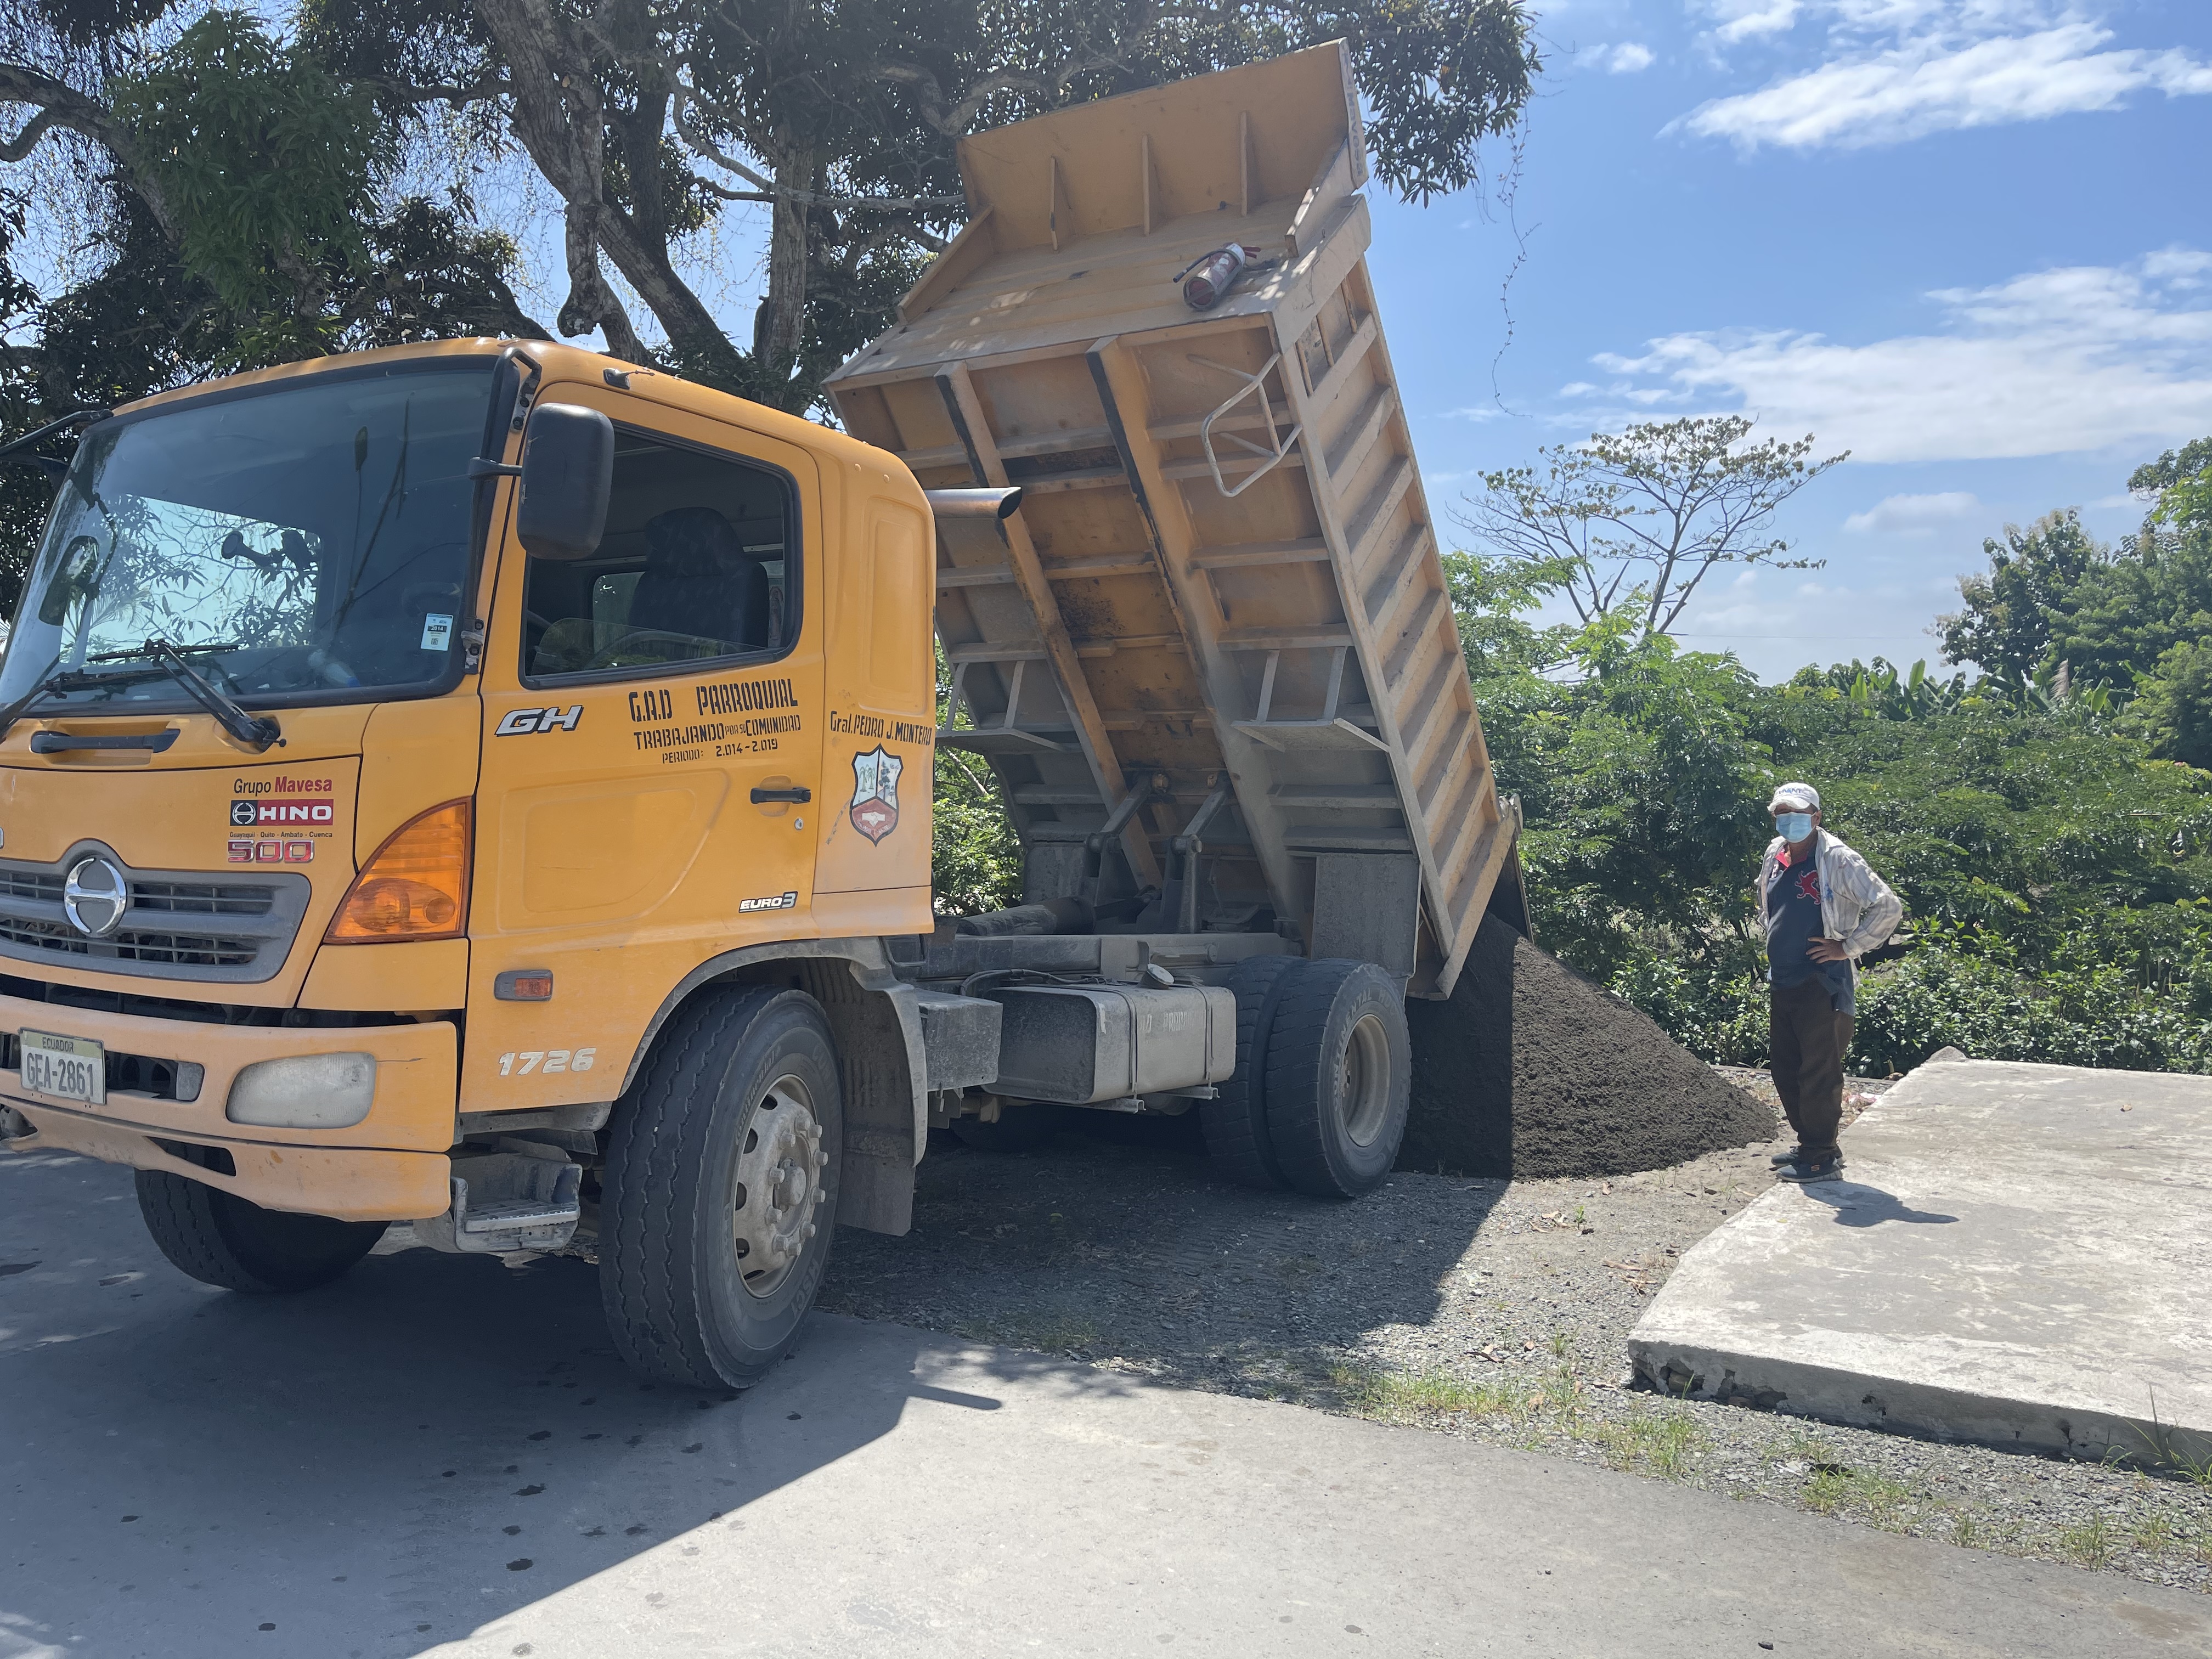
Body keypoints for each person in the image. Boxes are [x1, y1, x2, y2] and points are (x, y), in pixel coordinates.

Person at [1758, 782, 1901, 1183]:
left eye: (1799, 813)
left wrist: (1848, 947)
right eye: (1782, 813)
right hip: (1784, 978)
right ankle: (1811, 1144)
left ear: (1816, 817)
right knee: (1786, 1068)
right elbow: (1769, 905)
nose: (1790, 820)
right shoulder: (1775, 854)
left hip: (1822, 981)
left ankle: (1820, 1158)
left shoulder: (1837, 858)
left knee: (1818, 1072)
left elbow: (1887, 906)